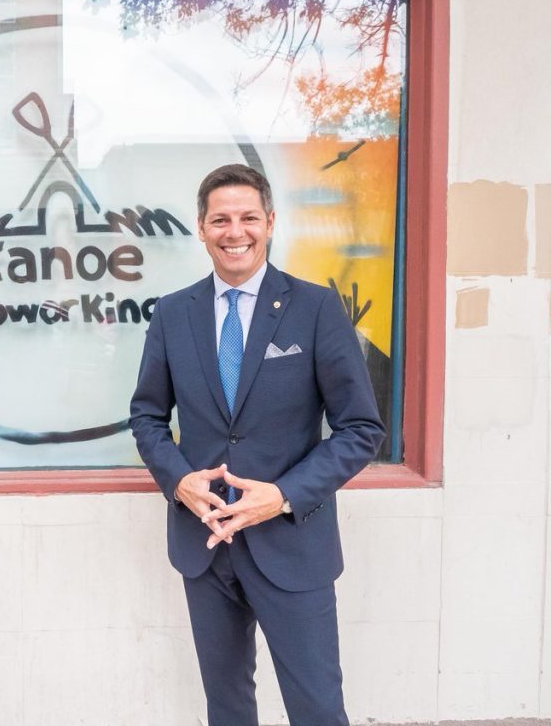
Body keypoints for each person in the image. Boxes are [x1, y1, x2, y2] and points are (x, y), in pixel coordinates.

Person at [129, 164, 385, 725]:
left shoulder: (316, 308)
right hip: (206, 544)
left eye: (248, 217)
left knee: (316, 706)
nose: (234, 231)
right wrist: (179, 480)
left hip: (291, 543)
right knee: (227, 708)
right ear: (201, 227)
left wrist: (285, 495)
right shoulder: (173, 313)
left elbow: (361, 429)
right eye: (220, 219)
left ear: (270, 223)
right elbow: (147, 416)